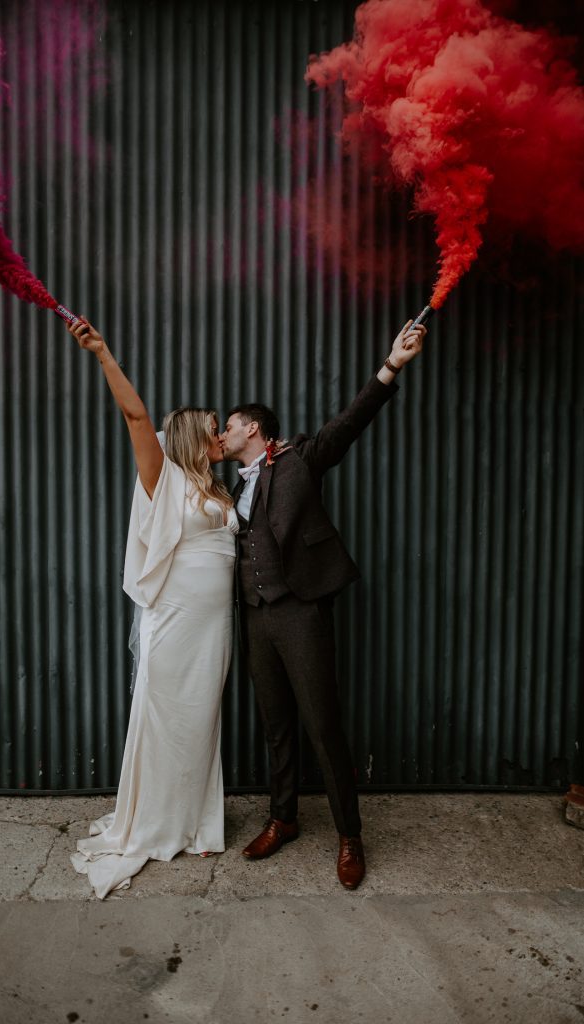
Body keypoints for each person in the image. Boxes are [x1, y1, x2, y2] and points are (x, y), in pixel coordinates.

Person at [220, 319, 426, 890]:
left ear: (254, 428)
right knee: (276, 724)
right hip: (257, 617)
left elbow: (352, 420)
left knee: (322, 724)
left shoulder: (301, 459)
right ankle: (282, 818)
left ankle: (348, 835)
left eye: (229, 426)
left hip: (301, 611)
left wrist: (392, 365)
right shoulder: (228, 485)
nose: (223, 433)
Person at [65, 317, 238, 899]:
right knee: (168, 718)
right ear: (191, 436)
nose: (221, 439)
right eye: (214, 431)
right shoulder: (162, 476)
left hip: (215, 625)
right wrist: (103, 352)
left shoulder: (218, 487)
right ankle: (155, 822)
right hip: (175, 623)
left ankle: (198, 824)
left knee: (201, 718)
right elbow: (137, 416)